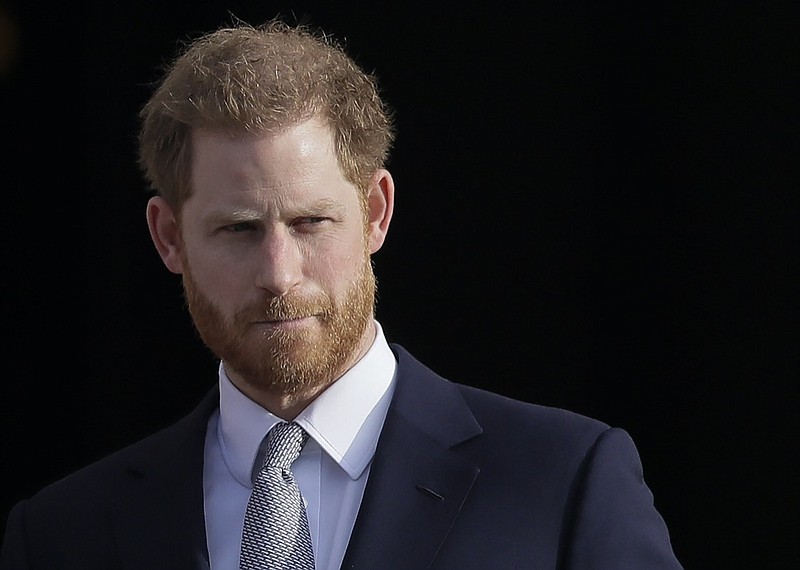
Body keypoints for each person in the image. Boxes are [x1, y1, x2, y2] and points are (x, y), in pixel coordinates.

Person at [0, 18, 684, 570]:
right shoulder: (65, 534)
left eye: (311, 222)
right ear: (169, 237)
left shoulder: (559, 484)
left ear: (377, 212)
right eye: (238, 229)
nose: (279, 272)